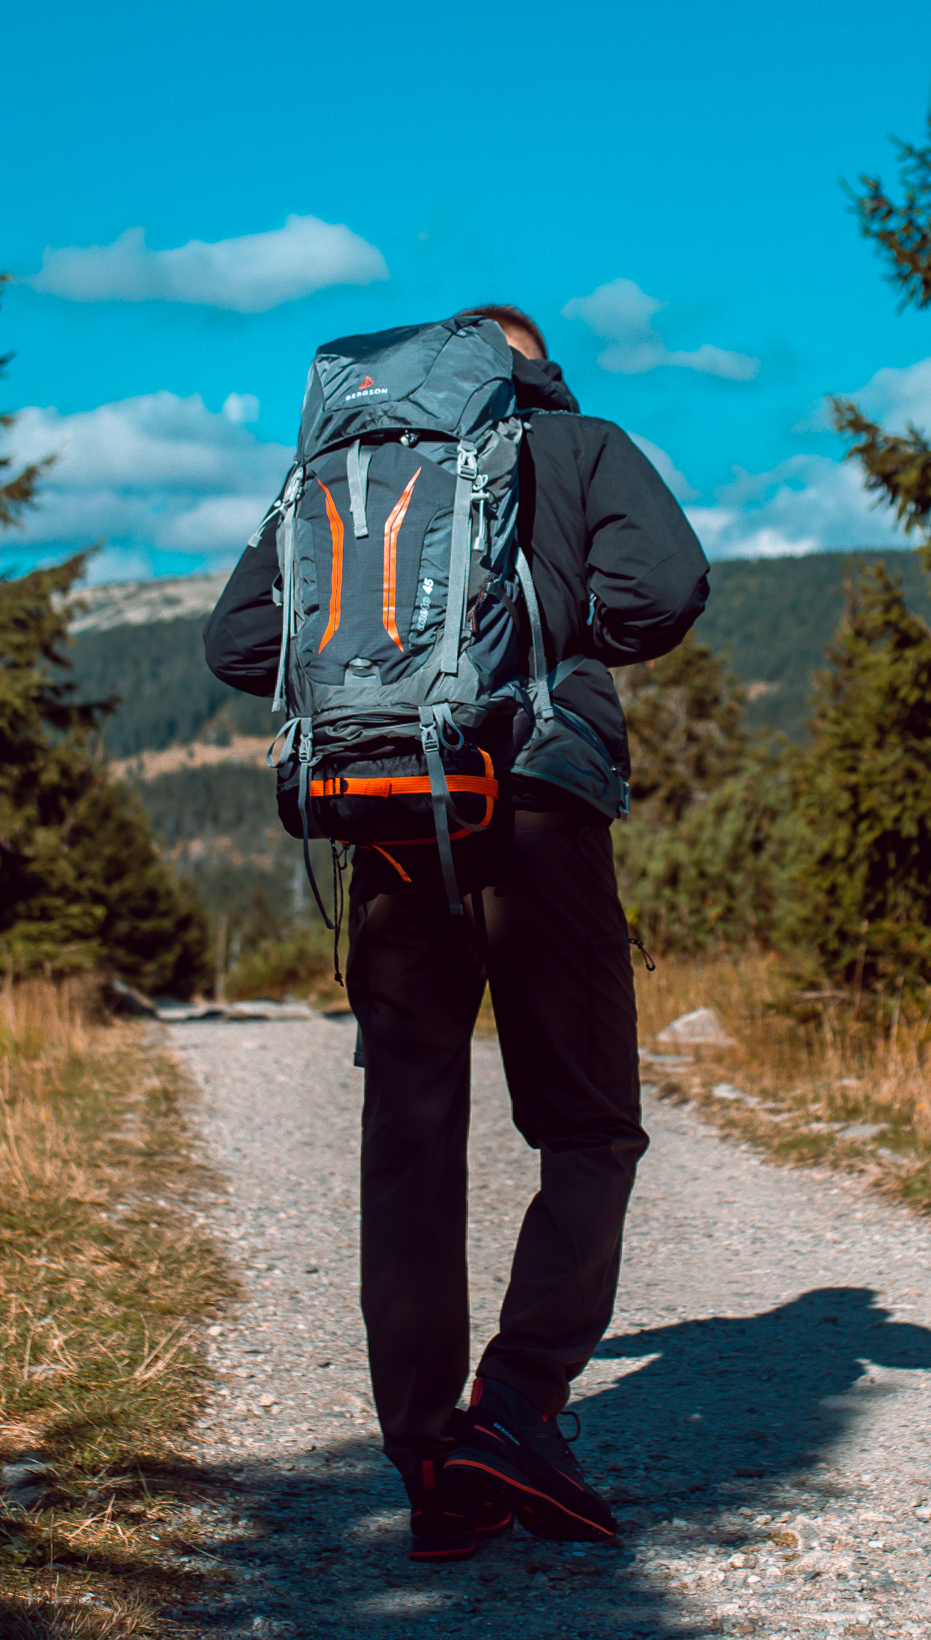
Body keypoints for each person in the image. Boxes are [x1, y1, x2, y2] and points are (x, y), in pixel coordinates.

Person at [203, 303, 710, 1560]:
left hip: (383, 825)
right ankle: (519, 1405)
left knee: (412, 1135)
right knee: (588, 1125)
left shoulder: (335, 472)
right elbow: (667, 591)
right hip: (536, 814)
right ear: (532, 363)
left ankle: (427, 1450)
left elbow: (236, 643)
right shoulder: (580, 446)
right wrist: (553, 636)